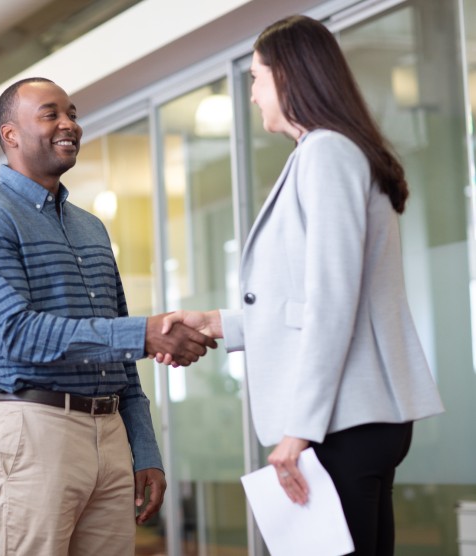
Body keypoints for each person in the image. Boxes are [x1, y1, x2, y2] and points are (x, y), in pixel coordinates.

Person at [159, 15, 444, 555]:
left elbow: (333, 300)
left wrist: (300, 429)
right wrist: (217, 323)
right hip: (357, 418)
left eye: (255, 79)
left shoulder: (326, 153)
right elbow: (306, 301)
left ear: (287, 77)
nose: (252, 96)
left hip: (343, 421)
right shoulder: (330, 152)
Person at [0, 76, 217, 556]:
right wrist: (146, 333)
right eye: (50, 114)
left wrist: (143, 448)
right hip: (33, 429)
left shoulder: (90, 228)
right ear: (10, 134)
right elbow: (17, 334)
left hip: (108, 431)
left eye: (71, 113)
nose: (69, 124)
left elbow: (121, 355)